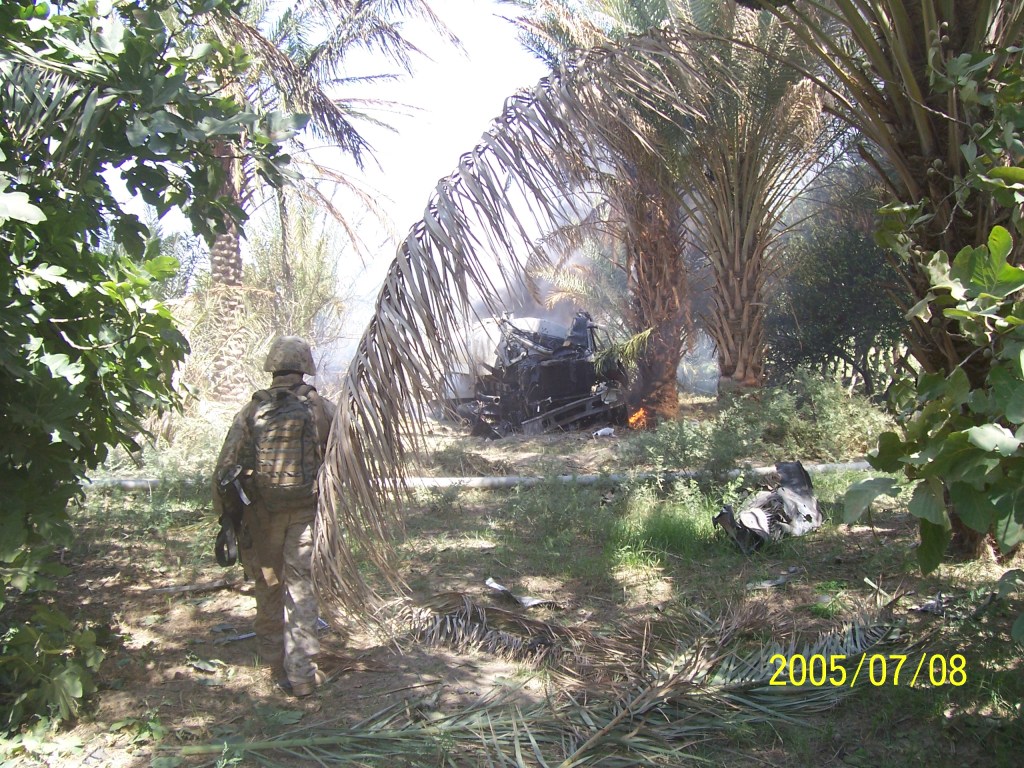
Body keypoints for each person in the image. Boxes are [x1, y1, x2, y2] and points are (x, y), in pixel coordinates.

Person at [212, 336, 336, 697]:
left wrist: (228, 517)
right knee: (301, 586)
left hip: (262, 514)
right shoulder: (320, 408)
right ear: (305, 367)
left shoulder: (251, 411)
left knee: (268, 584)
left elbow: (224, 468)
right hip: (304, 511)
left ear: (272, 367)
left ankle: (272, 663)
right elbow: (340, 456)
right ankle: (302, 674)